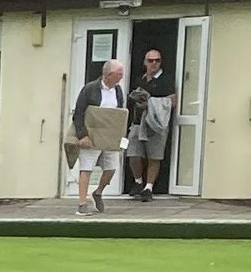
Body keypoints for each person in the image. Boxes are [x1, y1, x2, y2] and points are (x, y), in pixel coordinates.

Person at [68, 54, 127, 212]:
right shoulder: (90, 89)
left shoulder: (118, 91)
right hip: (91, 136)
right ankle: (82, 203)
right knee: (86, 168)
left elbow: (119, 114)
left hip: (109, 137)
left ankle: (98, 192)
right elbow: (78, 113)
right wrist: (83, 136)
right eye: (119, 74)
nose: (121, 77)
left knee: (111, 168)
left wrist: (120, 136)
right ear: (108, 75)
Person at [127, 43, 176, 198]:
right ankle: (138, 182)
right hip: (137, 121)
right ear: (145, 62)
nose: (154, 63)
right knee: (133, 153)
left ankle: (149, 188)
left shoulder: (166, 80)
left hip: (156, 123)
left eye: (157, 60)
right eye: (150, 60)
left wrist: (151, 103)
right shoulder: (139, 79)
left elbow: (173, 100)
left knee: (154, 156)